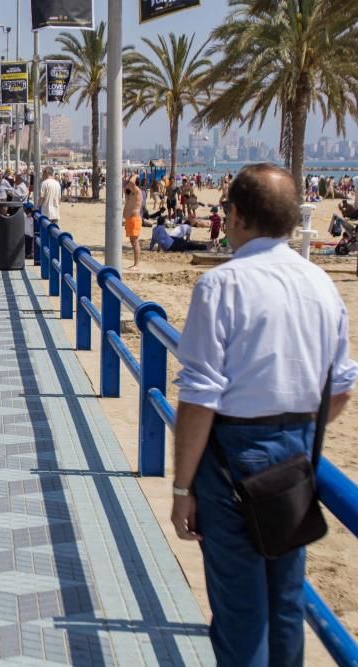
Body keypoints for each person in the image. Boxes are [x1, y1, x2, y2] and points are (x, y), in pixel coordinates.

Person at [171, 163, 358, 667]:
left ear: (234, 216)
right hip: (296, 453)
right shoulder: (320, 284)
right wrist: (294, 427)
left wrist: (182, 488)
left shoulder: (222, 286)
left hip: (232, 455)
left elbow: (199, 400)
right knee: (285, 603)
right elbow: (341, 388)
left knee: (240, 613)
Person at [123, 175, 144, 269]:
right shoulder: (132, 194)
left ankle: (137, 265)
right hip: (130, 220)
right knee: (132, 241)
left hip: (135, 219)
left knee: (135, 242)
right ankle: (135, 264)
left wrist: (135, 175)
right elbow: (125, 186)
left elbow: (131, 183)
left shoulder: (138, 191)